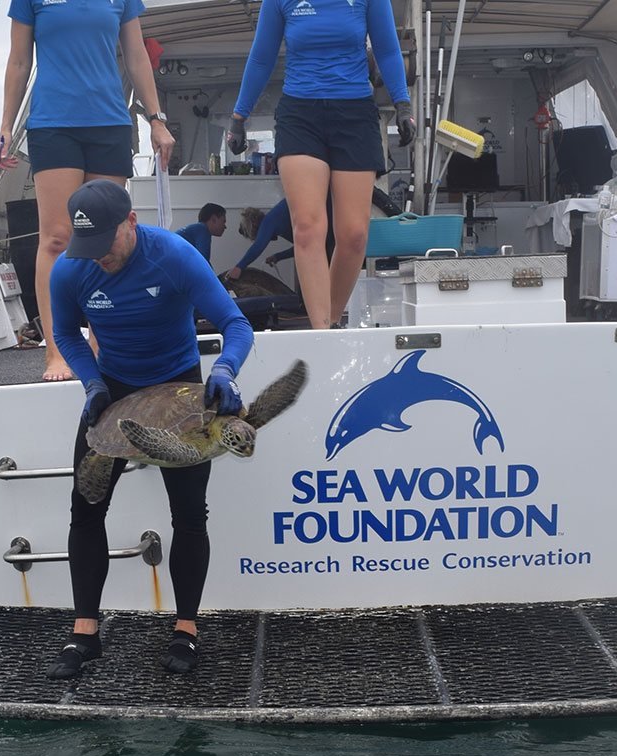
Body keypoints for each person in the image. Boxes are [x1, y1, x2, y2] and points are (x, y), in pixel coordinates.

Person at [44, 181, 255, 679]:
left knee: (188, 512)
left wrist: (224, 370)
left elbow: (236, 325)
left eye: (105, 245)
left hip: (179, 389)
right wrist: (91, 382)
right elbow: (65, 333)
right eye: (87, 250)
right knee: (85, 506)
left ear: (131, 221)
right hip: (112, 391)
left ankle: (186, 629)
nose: (98, 259)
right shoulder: (72, 269)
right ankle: (85, 633)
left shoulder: (175, 256)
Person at [0, 0, 176, 382]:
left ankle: (100, 348)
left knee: (106, 241)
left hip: (110, 123)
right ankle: (57, 351)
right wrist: (6, 125)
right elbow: (18, 61)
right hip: (52, 123)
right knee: (58, 239)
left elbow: (137, 56)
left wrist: (156, 120)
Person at [229, 0, 416, 330]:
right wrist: (239, 117)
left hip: (355, 113)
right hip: (301, 114)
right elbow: (262, 57)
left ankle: (330, 318)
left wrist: (403, 104)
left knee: (354, 235)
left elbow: (387, 50)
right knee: (309, 228)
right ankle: (322, 332)